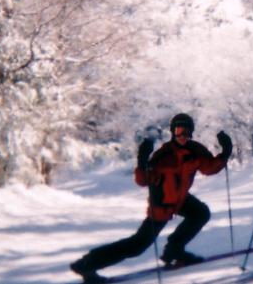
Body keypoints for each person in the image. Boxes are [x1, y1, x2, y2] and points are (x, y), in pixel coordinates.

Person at [70, 113, 233, 283]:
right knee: (137, 245)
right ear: (172, 132)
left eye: (186, 132)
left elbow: (209, 168)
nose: (182, 136)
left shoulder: (195, 151)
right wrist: (142, 161)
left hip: (180, 200)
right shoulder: (164, 155)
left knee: (200, 213)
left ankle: (174, 250)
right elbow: (143, 180)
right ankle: (86, 265)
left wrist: (225, 153)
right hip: (162, 205)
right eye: (179, 132)